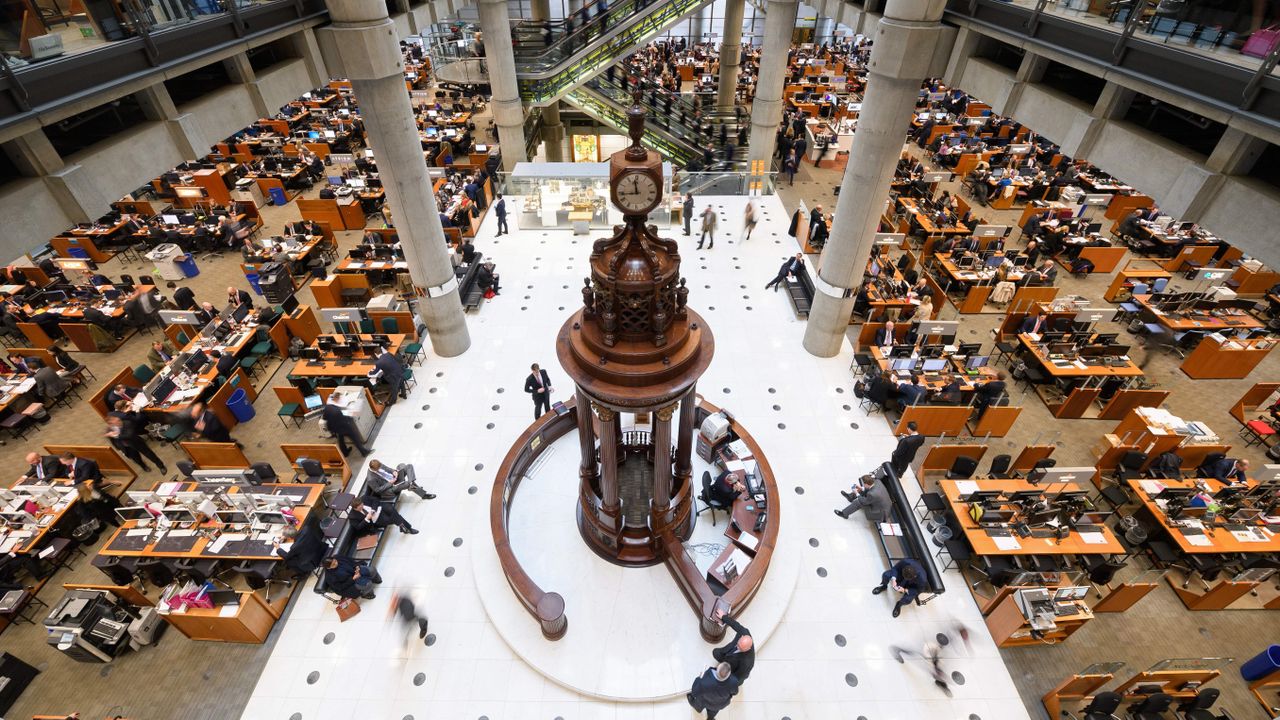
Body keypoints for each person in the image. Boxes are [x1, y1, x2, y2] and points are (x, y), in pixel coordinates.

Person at [889, 622, 971, 697]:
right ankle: (897, 649)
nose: (965, 637)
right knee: (916, 652)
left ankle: (940, 682)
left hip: (936, 648)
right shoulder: (945, 629)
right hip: (929, 645)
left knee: (935, 667)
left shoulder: (953, 633)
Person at [711, 608, 754, 680]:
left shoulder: (747, 663)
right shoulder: (744, 632)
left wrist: (726, 678)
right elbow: (735, 625)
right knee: (715, 652)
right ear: (742, 637)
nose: (737, 647)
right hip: (728, 653)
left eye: (741, 648)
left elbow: (738, 677)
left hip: (733, 667)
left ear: (748, 649)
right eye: (738, 644)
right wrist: (723, 617)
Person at [365, 459, 433, 501]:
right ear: (373, 469)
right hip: (389, 488)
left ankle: (411, 484)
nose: (380, 468)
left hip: (394, 478)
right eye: (378, 469)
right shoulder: (370, 478)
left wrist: (393, 471)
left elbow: (387, 468)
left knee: (407, 466)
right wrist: (391, 483)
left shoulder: (377, 464)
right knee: (407, 484)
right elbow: (378, 490)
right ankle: (423, 495)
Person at [349, 496, 418, 536]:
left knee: (391, 509)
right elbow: (358, 527)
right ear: (355, 508)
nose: (362, 506)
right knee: (393, 518)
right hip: (377, 519)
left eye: (362, 504)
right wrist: (367, 518)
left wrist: (373, 509)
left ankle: (403, 527)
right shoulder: (352, 516)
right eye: (360, 507)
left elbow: (375, 500)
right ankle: (408, 528)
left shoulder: (363, 498)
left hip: (379, 508)